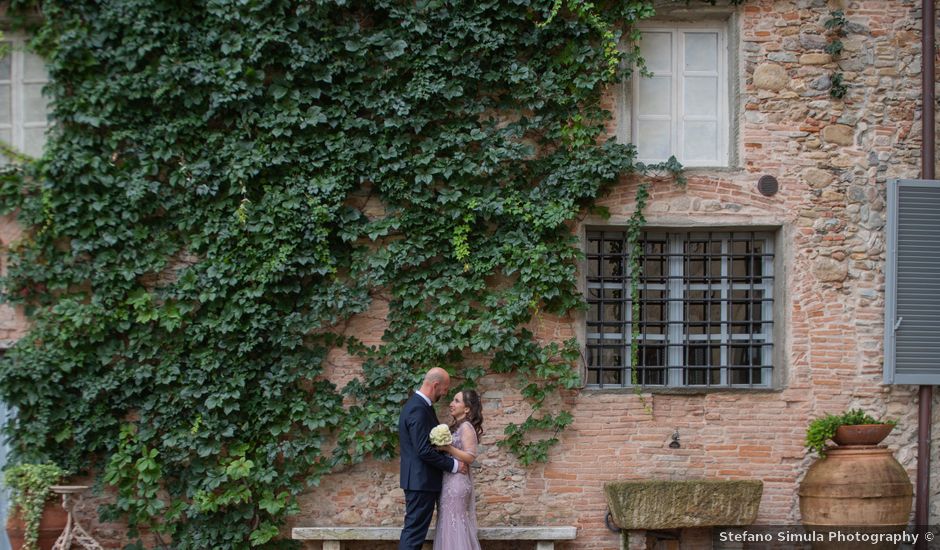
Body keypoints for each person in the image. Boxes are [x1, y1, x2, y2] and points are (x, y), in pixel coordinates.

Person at [398, 368, 469, 550]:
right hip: (420, 482)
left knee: (415, 533)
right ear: (435, 385)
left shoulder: (422, 407)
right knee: (414, 534)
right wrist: (454, 465)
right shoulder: (418, 408)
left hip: (421, 482)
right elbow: (423, 450)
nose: (445, 393)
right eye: (445, 389)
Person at [433, 389, 484, 550]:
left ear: (467, 408)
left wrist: (447, 448)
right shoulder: (457, 427)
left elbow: (470, 457)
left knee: (454, 524)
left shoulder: (467, 427)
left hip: (458, 483)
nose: (451, 404)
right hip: (450, 481)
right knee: (448, 523)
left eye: (456, 401)